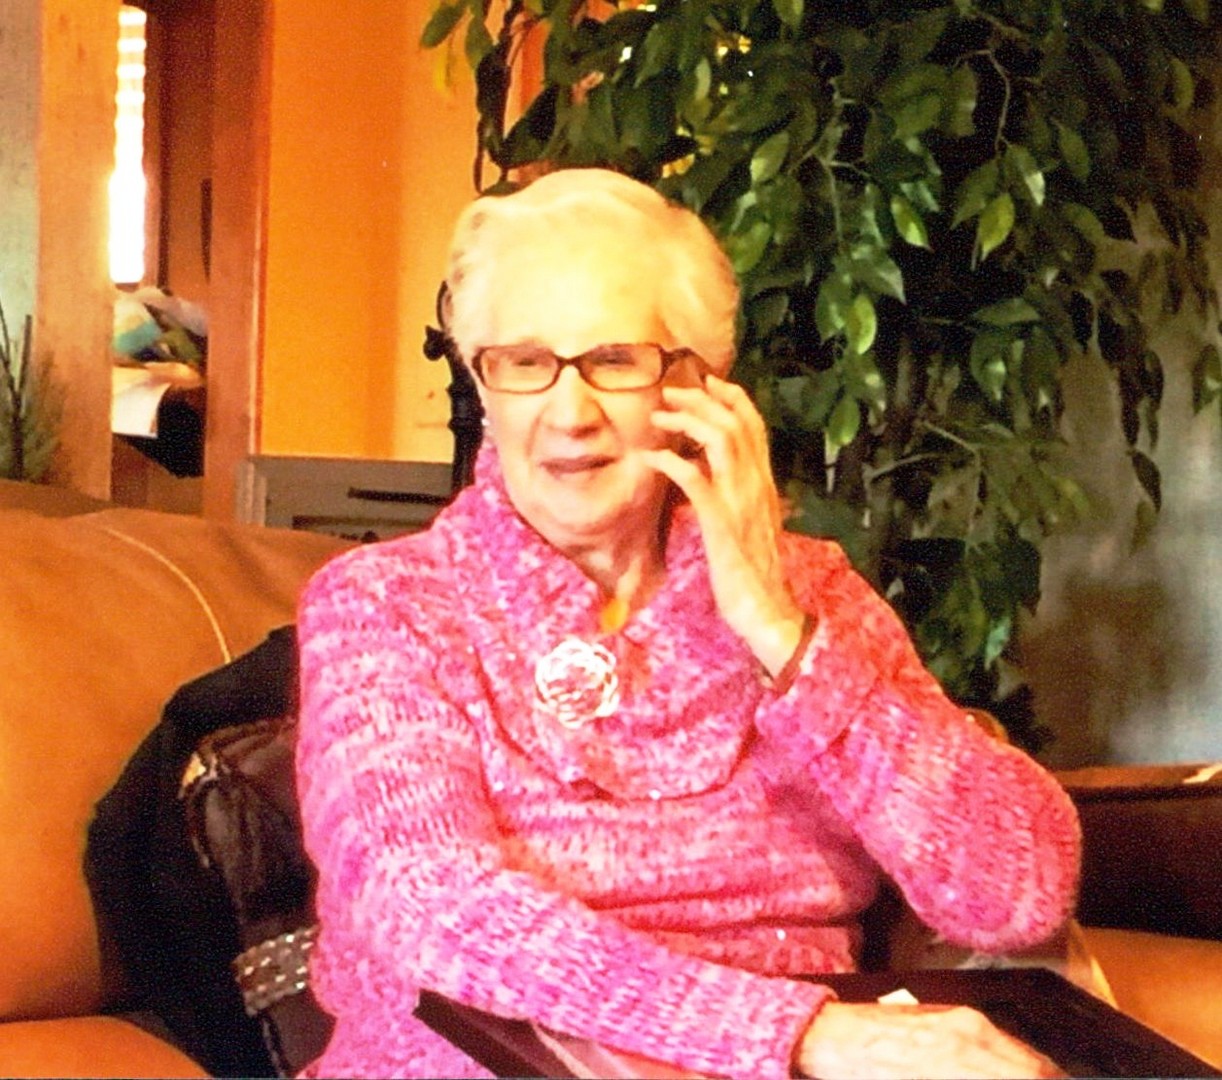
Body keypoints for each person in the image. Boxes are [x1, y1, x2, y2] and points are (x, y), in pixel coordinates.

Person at [294, 168, 1080, 1079]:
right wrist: (800, 1035)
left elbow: (1017, 893)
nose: (570, 413)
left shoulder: (810, 593)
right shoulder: (385, 605)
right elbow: (426, 902)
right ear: (484, 381)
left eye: (614, 360)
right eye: (524, 362)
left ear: (696, 388)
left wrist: (782, 634)